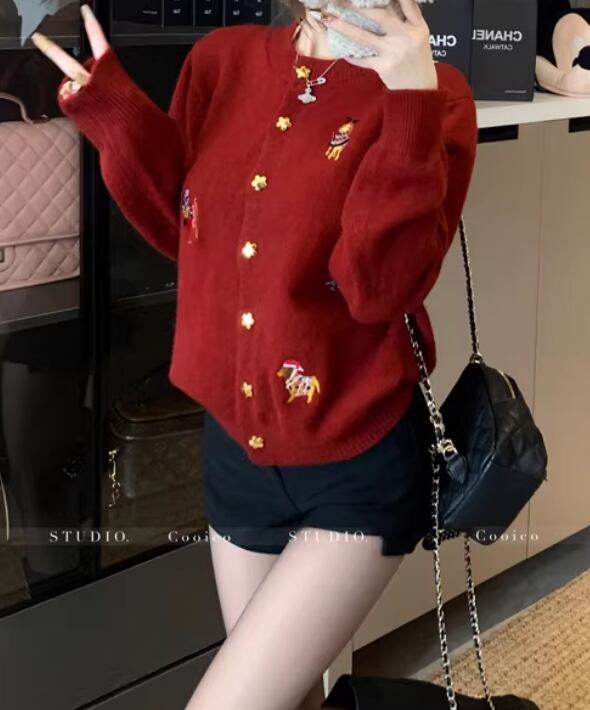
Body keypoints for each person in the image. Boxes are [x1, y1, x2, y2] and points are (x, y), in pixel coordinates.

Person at [31, 1, 478, 708]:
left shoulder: (437, 93)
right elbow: (184, 226)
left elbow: (377, 289)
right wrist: (115, 112)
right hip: (235, 451)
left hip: (354, 456)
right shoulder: (223, 59)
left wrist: (410, 101)